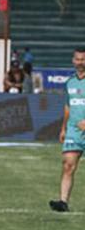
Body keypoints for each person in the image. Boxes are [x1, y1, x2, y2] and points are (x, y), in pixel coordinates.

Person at [49, 48, 85, 212]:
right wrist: (63, 128)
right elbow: (68, 107)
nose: (80, 62)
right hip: (73, 130)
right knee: (68, 165)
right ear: (73, 60)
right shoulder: (70, 82)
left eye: (83, 59)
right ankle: (63, 202)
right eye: (77, 59)